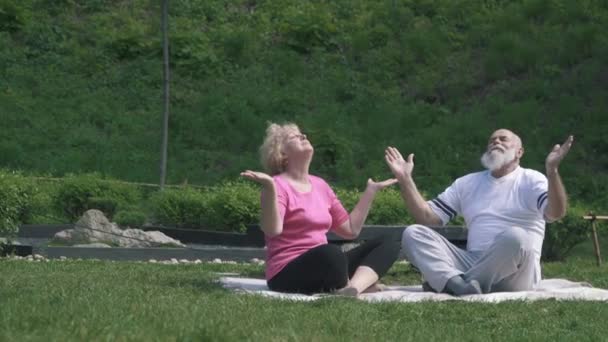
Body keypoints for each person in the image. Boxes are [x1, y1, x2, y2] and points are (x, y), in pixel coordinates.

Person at [384, 129, 573, 296]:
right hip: (473, 260)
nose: (496, 142)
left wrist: (552, 171)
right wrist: (405, 180)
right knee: (413, 233)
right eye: (492, 140)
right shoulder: (467, 183)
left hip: (517, 270)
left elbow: (555, 213)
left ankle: (452, 283)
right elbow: (428, 219)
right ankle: (461, 285)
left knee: (516, 236)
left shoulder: (532, 179)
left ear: (519, 152)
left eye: (503, 139)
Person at [241, 122, 400, 296]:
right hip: (287, 272)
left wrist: (370, 192)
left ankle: (352, 288)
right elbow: (273, 230)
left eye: (303, 134)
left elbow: (350, 230)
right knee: (331, 254)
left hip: (328, 265)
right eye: (294, 136)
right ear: (282, 152)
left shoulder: (320, 185)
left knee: (390, 241)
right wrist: (270, 187)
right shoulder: (278, 185)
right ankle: (356, 286)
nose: (304, 137)